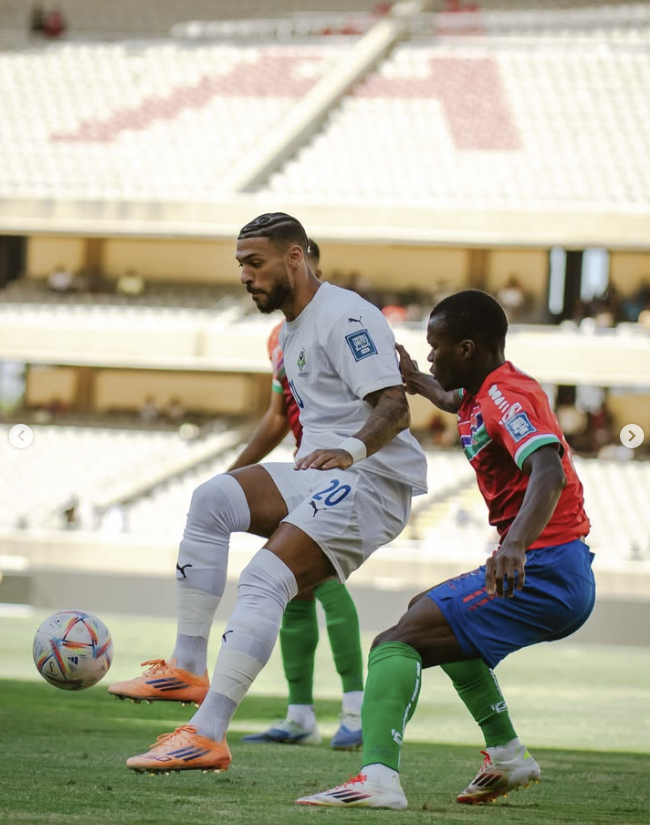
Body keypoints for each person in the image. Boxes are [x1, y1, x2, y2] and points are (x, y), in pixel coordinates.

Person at [107, 212, 428, 775]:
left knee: (264, 579)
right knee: (211, 499)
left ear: (295, 257)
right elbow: (285, 418)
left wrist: (350, 451)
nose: (245, 276)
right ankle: (186, 667)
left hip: (371, 483)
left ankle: (207, 734)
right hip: (325, 474)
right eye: (240, 265)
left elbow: (395, 407)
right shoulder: (291, 330)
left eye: (255, 263)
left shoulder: (347, 315)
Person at [298, 289, 595, 809]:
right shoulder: (484, 393)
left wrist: (515, 546)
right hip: (556, 566)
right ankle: (506, 754)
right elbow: (459, 402)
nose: (430, 355)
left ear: (467, 348)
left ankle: (378, 780)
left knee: (395, 642)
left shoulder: (505, 396)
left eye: (436, 348)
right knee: (438, 623)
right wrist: (419, 382)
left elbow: (548, 470)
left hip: (546, 567)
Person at [229, 239, 365, 749]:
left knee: (322, 579)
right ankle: (301, 714)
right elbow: (277, 416)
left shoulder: (343, 322)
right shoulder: (279, 337)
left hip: (342, 474)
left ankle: (356, 711)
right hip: (303, 470)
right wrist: (230, 477)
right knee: (294, 587)